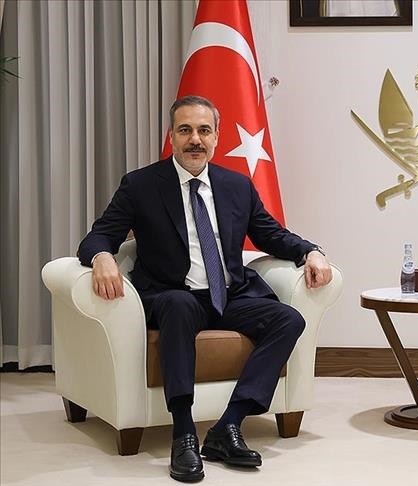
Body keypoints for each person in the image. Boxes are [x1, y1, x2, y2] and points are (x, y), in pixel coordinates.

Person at [78, 95, 333, 483]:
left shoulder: (236, 186)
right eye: (185, 130)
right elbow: (100, 235)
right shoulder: (141, 185)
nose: (195, 139)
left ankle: (228, 426)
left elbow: (272, 235)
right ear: (171, 136)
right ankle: (183, 434)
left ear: (216, 137)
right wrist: (102, 257)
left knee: (288, 319)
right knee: (180, 305)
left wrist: (311, 251)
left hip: (228, 296)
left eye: (203, 130)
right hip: (172, 296)